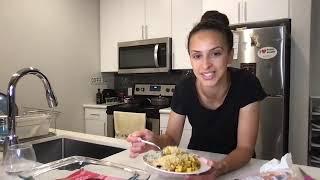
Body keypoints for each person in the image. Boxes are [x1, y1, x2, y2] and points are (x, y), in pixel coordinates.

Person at [127, 10, 267, 179]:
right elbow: (171, 138)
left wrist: (220, 168)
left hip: (238, 168)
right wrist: (154, 141)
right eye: (197, 56)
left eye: (216, 53)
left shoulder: (247, 84)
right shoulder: (184, 88)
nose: (206, 65)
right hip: (196, 165)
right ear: (190, 58)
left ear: (230, 55)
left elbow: (245, 148)